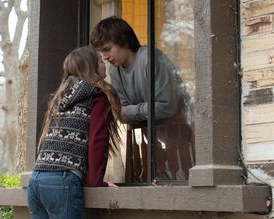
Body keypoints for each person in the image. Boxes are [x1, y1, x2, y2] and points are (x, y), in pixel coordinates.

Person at [91, 16, 193, 181]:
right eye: (101, 52)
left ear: (123, 41)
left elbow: (167, 107)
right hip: (155, 140)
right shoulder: (114, 71)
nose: (104, 57)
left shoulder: (150, 59)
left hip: (184, 136)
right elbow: (120, 113)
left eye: (107, 49)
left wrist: (132, 111)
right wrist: (134, 112)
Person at [26, 46, 121, 219]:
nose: (104, 63)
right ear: (91, 67)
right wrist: (96, 182)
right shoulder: (97, 95)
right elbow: (97, 139)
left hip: (36, 179)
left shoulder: (60, 98)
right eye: (100, 60)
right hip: (61, 182)